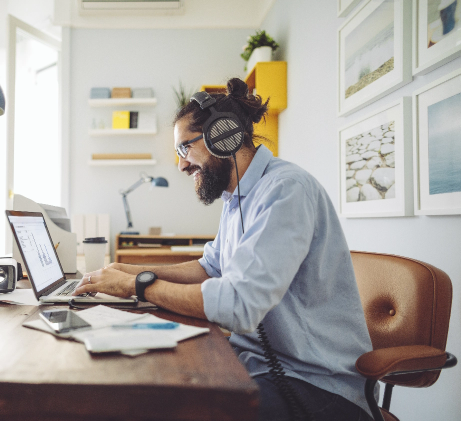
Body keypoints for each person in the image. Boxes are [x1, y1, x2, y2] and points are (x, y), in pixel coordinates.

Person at [74, 77, 375, 421]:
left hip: (315, 385)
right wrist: (130, 271)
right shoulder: (237, 198)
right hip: (257, 366)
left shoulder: (286, 190)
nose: (182, 165)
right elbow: (210, 268)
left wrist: (139, 286)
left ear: (222, 135)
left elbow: (238, 306)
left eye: (184, 149)